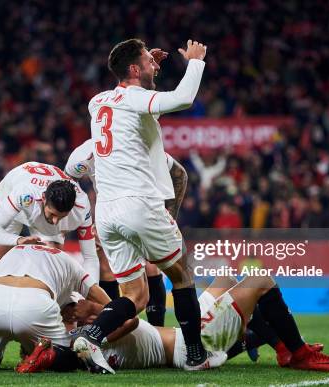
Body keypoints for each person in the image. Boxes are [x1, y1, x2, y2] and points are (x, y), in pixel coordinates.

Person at [73, 38, 221, 372]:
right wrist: (195, 61)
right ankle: (196, 356)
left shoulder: (97, 102)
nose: (155, 64)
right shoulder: (135, 98)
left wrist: (146, 65)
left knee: (135, 295)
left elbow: (128, 96)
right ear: (135, 69)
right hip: (139, 203)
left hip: (107, 212)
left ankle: (93, 335)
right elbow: (182, 99)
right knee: (182, 273)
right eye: (147, 61)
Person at [25, 275, 329, 373]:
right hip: (191, 348)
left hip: (184, 336)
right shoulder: (86, 337)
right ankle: (299, 352)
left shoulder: (86, 331)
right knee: (262, 282)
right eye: (77, 301)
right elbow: (131, 324)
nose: (83, 301)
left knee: (225, 275)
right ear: (70, 313)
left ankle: (281, 348)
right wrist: (98, 309)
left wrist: (96, 310)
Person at [65, 137, 188, 326]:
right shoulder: (84, 155)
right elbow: (68, 185)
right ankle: (115, 330)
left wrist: (169, 217)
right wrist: (86, 218)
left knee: (151, 267)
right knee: (109, 269)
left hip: (143, 211)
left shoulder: (135, 144)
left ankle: (156, 330)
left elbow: (179, 174)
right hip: (110, 215)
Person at [0, 244, 114, 372]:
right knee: (71, 358)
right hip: (35, 302)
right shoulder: (71, 263)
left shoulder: (15, 250)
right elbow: (112, 307)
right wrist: (93, 308)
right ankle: (48, 355)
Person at [0, 162, 97, 281]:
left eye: (61, 216)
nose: (55, 221)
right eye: (52, 214)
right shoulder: (24, 193)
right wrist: (18, 240)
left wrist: (92, 292)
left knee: (53, 262)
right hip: (13, 190)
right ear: (43, 198)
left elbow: (90, 257)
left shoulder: (82, 207)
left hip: (38, 201)